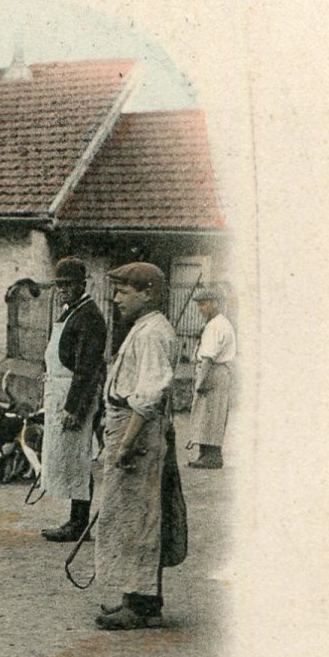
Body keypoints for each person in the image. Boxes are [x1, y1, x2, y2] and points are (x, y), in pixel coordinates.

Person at [95, 262, 180, 630]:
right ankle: (136, 596)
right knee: (127, 516)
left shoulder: (151, 334)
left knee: (140, 518)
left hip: (138, 436)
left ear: (148, 293)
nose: (115, 299)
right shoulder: (143, 329)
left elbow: (150, 393)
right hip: (127, 428)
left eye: (123, 292)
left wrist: (126, 444)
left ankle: (143, 604)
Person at [40, 257, 108, 542]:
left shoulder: (89, 316)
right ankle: (74, 518)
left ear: (82, 284)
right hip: (59, 392)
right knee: (66, 460)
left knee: (79, 460)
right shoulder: (70, 313)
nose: (63, 290)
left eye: (68, 285)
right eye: (59, 285)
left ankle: (79, 523)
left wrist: (73, 407)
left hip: (74, 397)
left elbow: (87, 369)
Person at [187, 286, 236, 469]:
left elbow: (208, 356)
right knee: (206, 413)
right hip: (214, 370)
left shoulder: (217, 325)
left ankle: (212, 456)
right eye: (198, 305)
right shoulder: (216, 323)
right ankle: (205, 454)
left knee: (211, 414)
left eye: (204, 304)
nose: (200, 308)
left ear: (215, 304)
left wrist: (200, 381)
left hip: (213, 370)